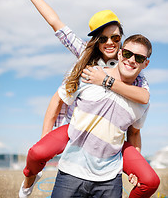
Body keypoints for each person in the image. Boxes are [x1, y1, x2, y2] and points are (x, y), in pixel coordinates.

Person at [12, 0, 160, 197]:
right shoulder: (86, 60)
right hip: (77, 127)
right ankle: (29, 181)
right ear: (96, 41)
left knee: (149, 179)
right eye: (103, 39)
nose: (109, 42)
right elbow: (56, 23)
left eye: (115, 38)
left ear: (121, 41)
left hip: (109, 143)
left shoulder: (133, 70)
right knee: (38, 151)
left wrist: (106, 81)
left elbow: (143, 98)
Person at [50, 34, 151, 197]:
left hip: (110, 180)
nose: (131, 60)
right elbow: (58, 100)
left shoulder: (142, 100)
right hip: (70, 173)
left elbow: (134, 133)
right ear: (119, 53)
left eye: (139, 57)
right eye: (127, 54)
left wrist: (134, 167)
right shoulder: (90, 74)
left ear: (145, 63)